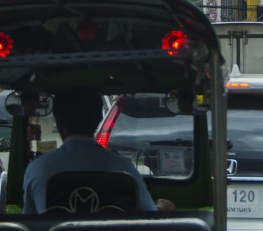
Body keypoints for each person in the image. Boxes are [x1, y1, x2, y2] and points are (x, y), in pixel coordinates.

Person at [22, 87, 166, 214]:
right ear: (98, 120)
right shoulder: (125, 168)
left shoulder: (37, 168)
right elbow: (150, 217)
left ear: (58, 123)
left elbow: (30, 224)